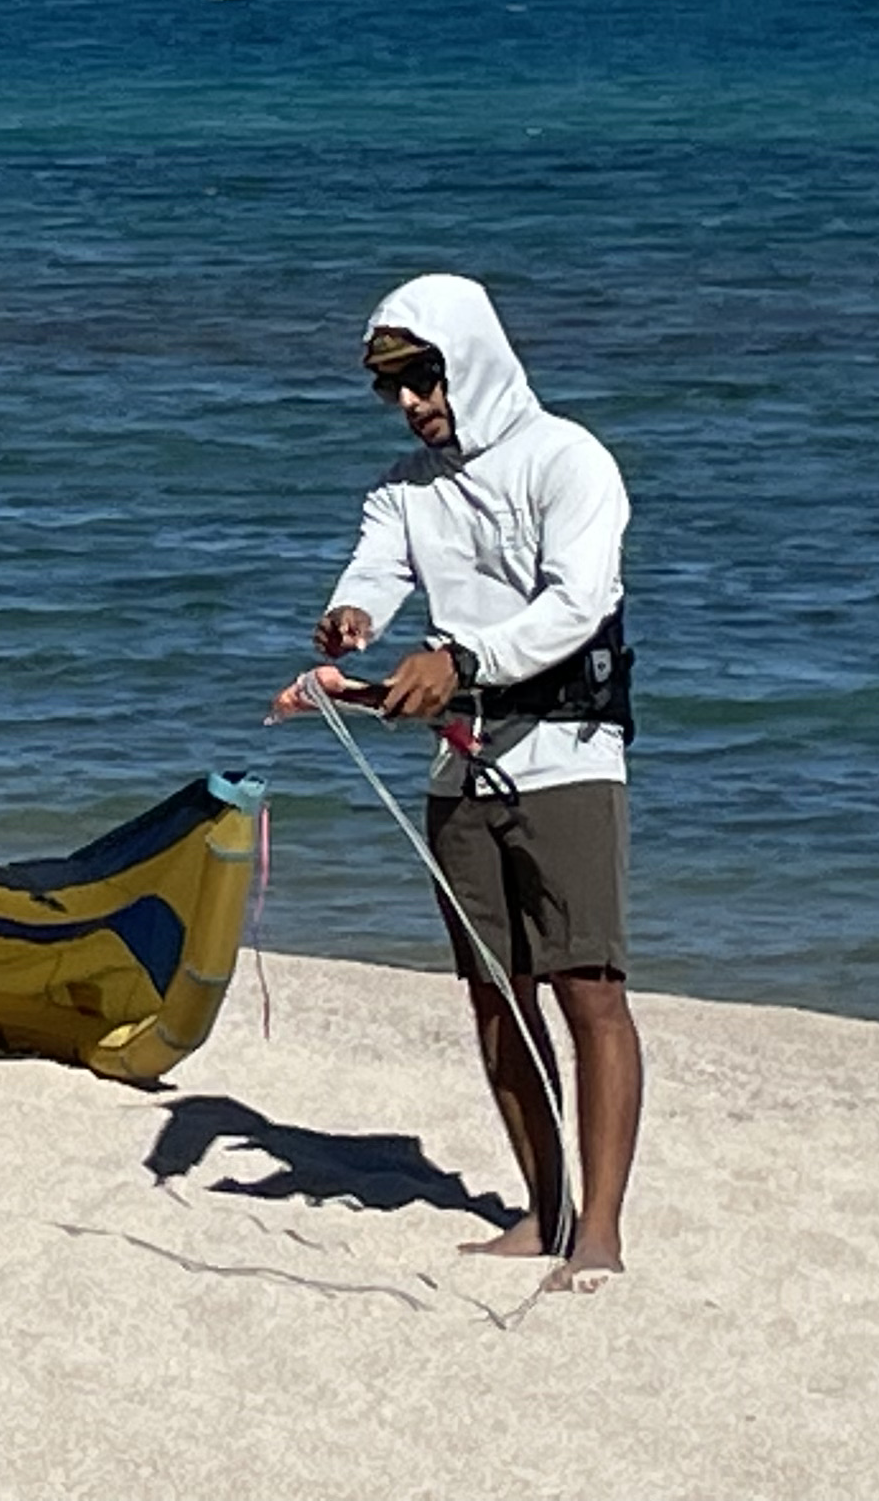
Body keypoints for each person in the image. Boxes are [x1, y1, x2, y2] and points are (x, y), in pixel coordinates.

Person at [270, 273, 644, 1285]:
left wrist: (465, 659)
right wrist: (352, 620)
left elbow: (578, 605)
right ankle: (542, 1210)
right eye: (392, 387)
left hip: (567, 757)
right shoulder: (402, 486)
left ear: (468, 361)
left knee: (588, 992)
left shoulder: (568, 460)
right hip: (460, 761)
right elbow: (376, 568)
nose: (411, 404)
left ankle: (599, 1234)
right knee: (495, 994)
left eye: (422, 379)